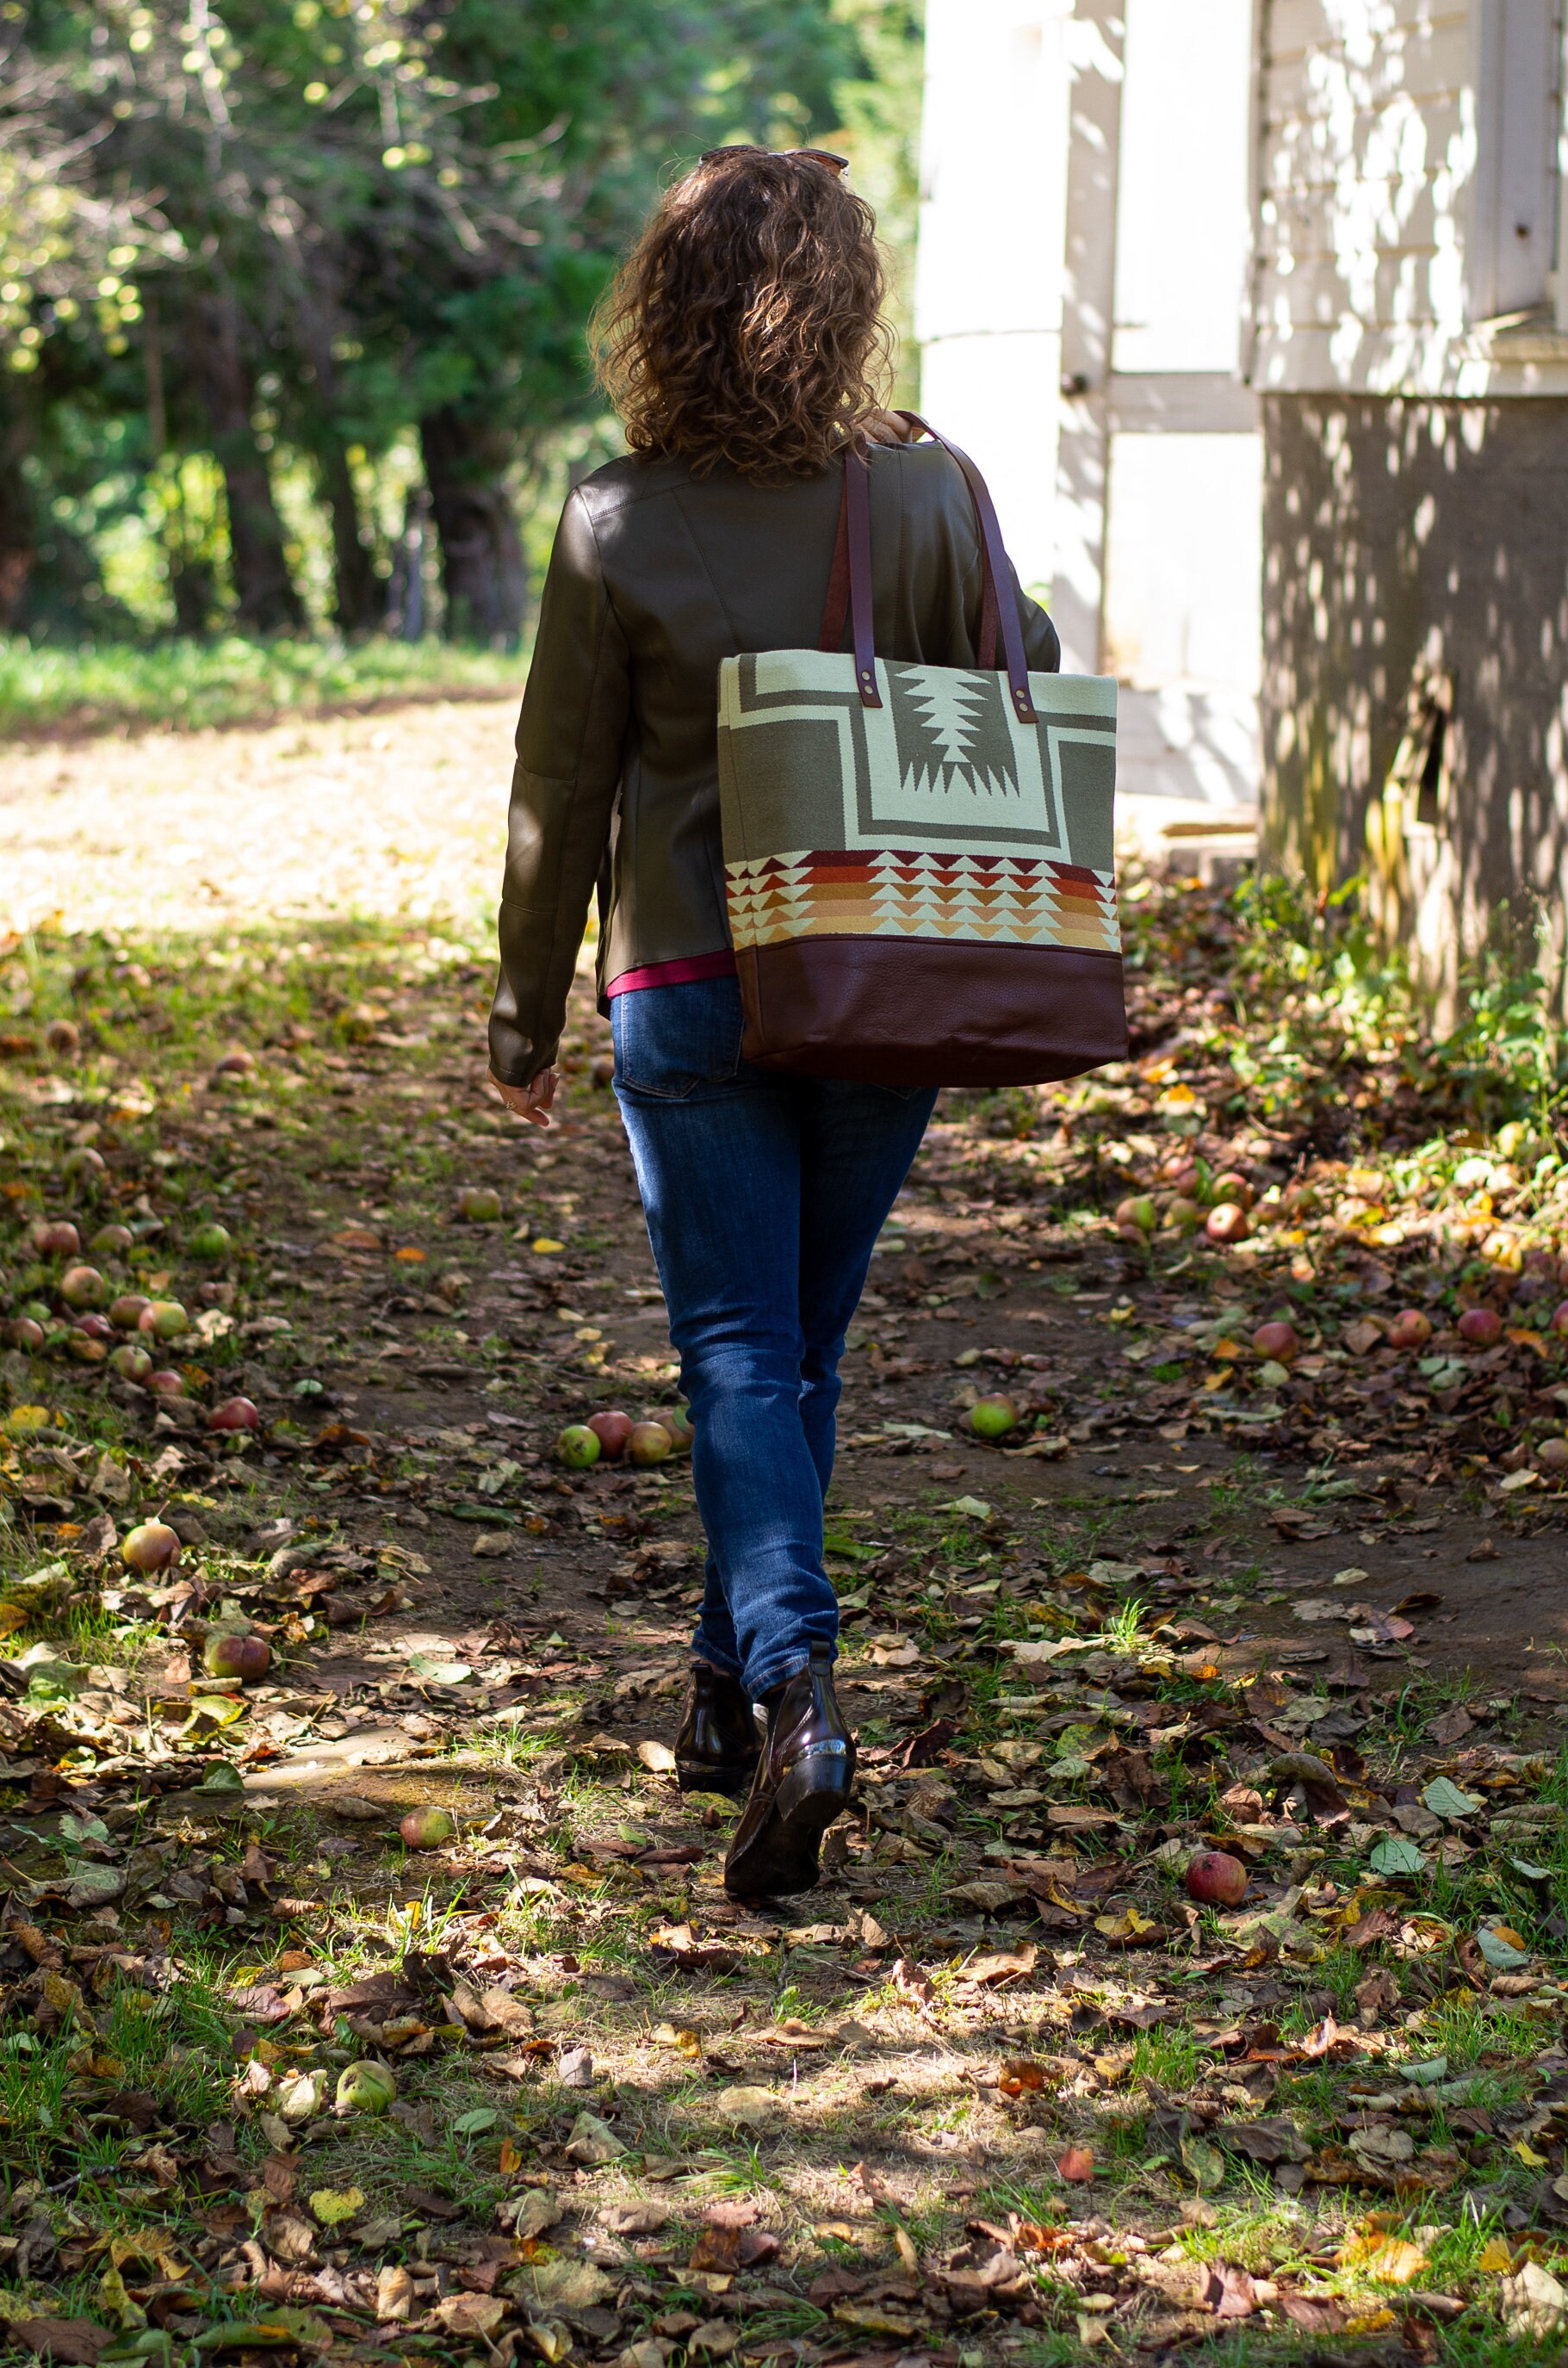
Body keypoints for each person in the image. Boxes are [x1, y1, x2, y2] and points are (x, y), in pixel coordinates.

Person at [488, 145, 1058, 1900]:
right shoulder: (931, 489)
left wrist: (521, 1015)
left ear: (666, 310)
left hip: (692, 985)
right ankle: (735, 1689)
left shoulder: (612, 516)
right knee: (798, 1353)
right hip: (893, 961)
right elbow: (1015, 678)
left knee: (740, 1355)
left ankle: (793, 1685)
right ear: (847, 306)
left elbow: (558, 789)